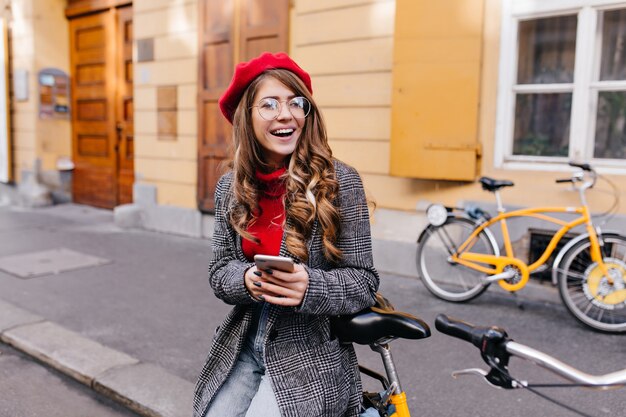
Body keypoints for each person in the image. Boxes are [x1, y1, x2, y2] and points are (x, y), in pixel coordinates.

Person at [193, 52, 380, 417]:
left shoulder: (340, 182)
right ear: (247, 118)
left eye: (296, 103)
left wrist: (308, 287)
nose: (285, 114)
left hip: (308, 354)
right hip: (245, 342)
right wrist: (247, 279)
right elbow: (219, 272)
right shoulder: (229, 187)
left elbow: (364, 282)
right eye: (269, 104)